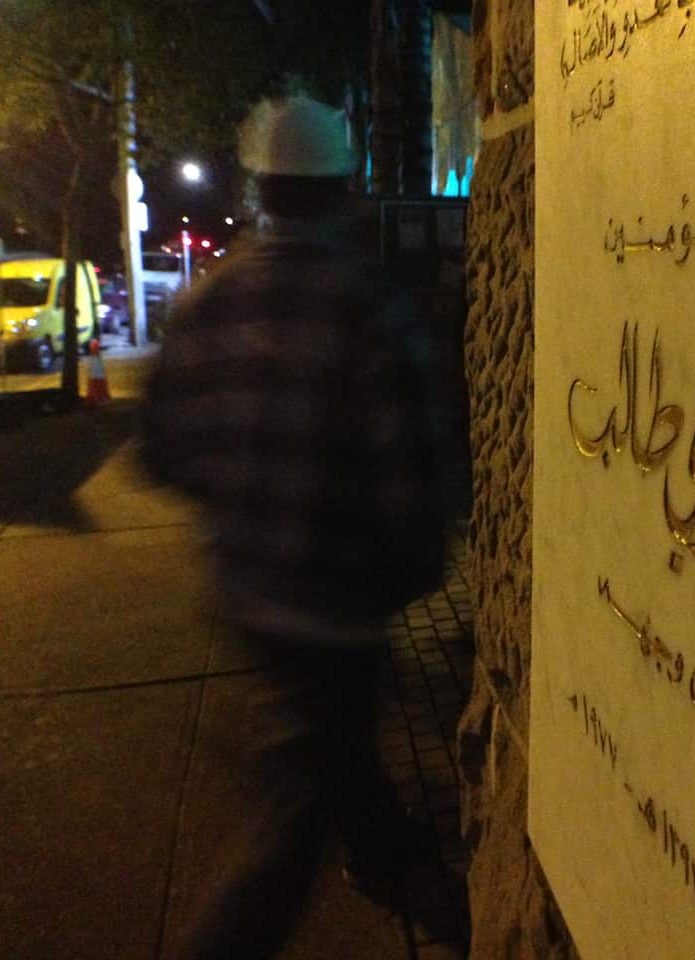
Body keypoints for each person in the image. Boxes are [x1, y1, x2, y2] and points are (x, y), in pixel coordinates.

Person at [140, 94, 446, 959]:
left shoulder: (206, 305)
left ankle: (386, 851)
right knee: (287, 823)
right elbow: (406, 476)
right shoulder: (369, 308)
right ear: (345, 189)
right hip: (332, 608)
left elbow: (160, 453)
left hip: (240, 592)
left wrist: (239, 493)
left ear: (261, 186)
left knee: (331, 751)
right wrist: (411, 571)